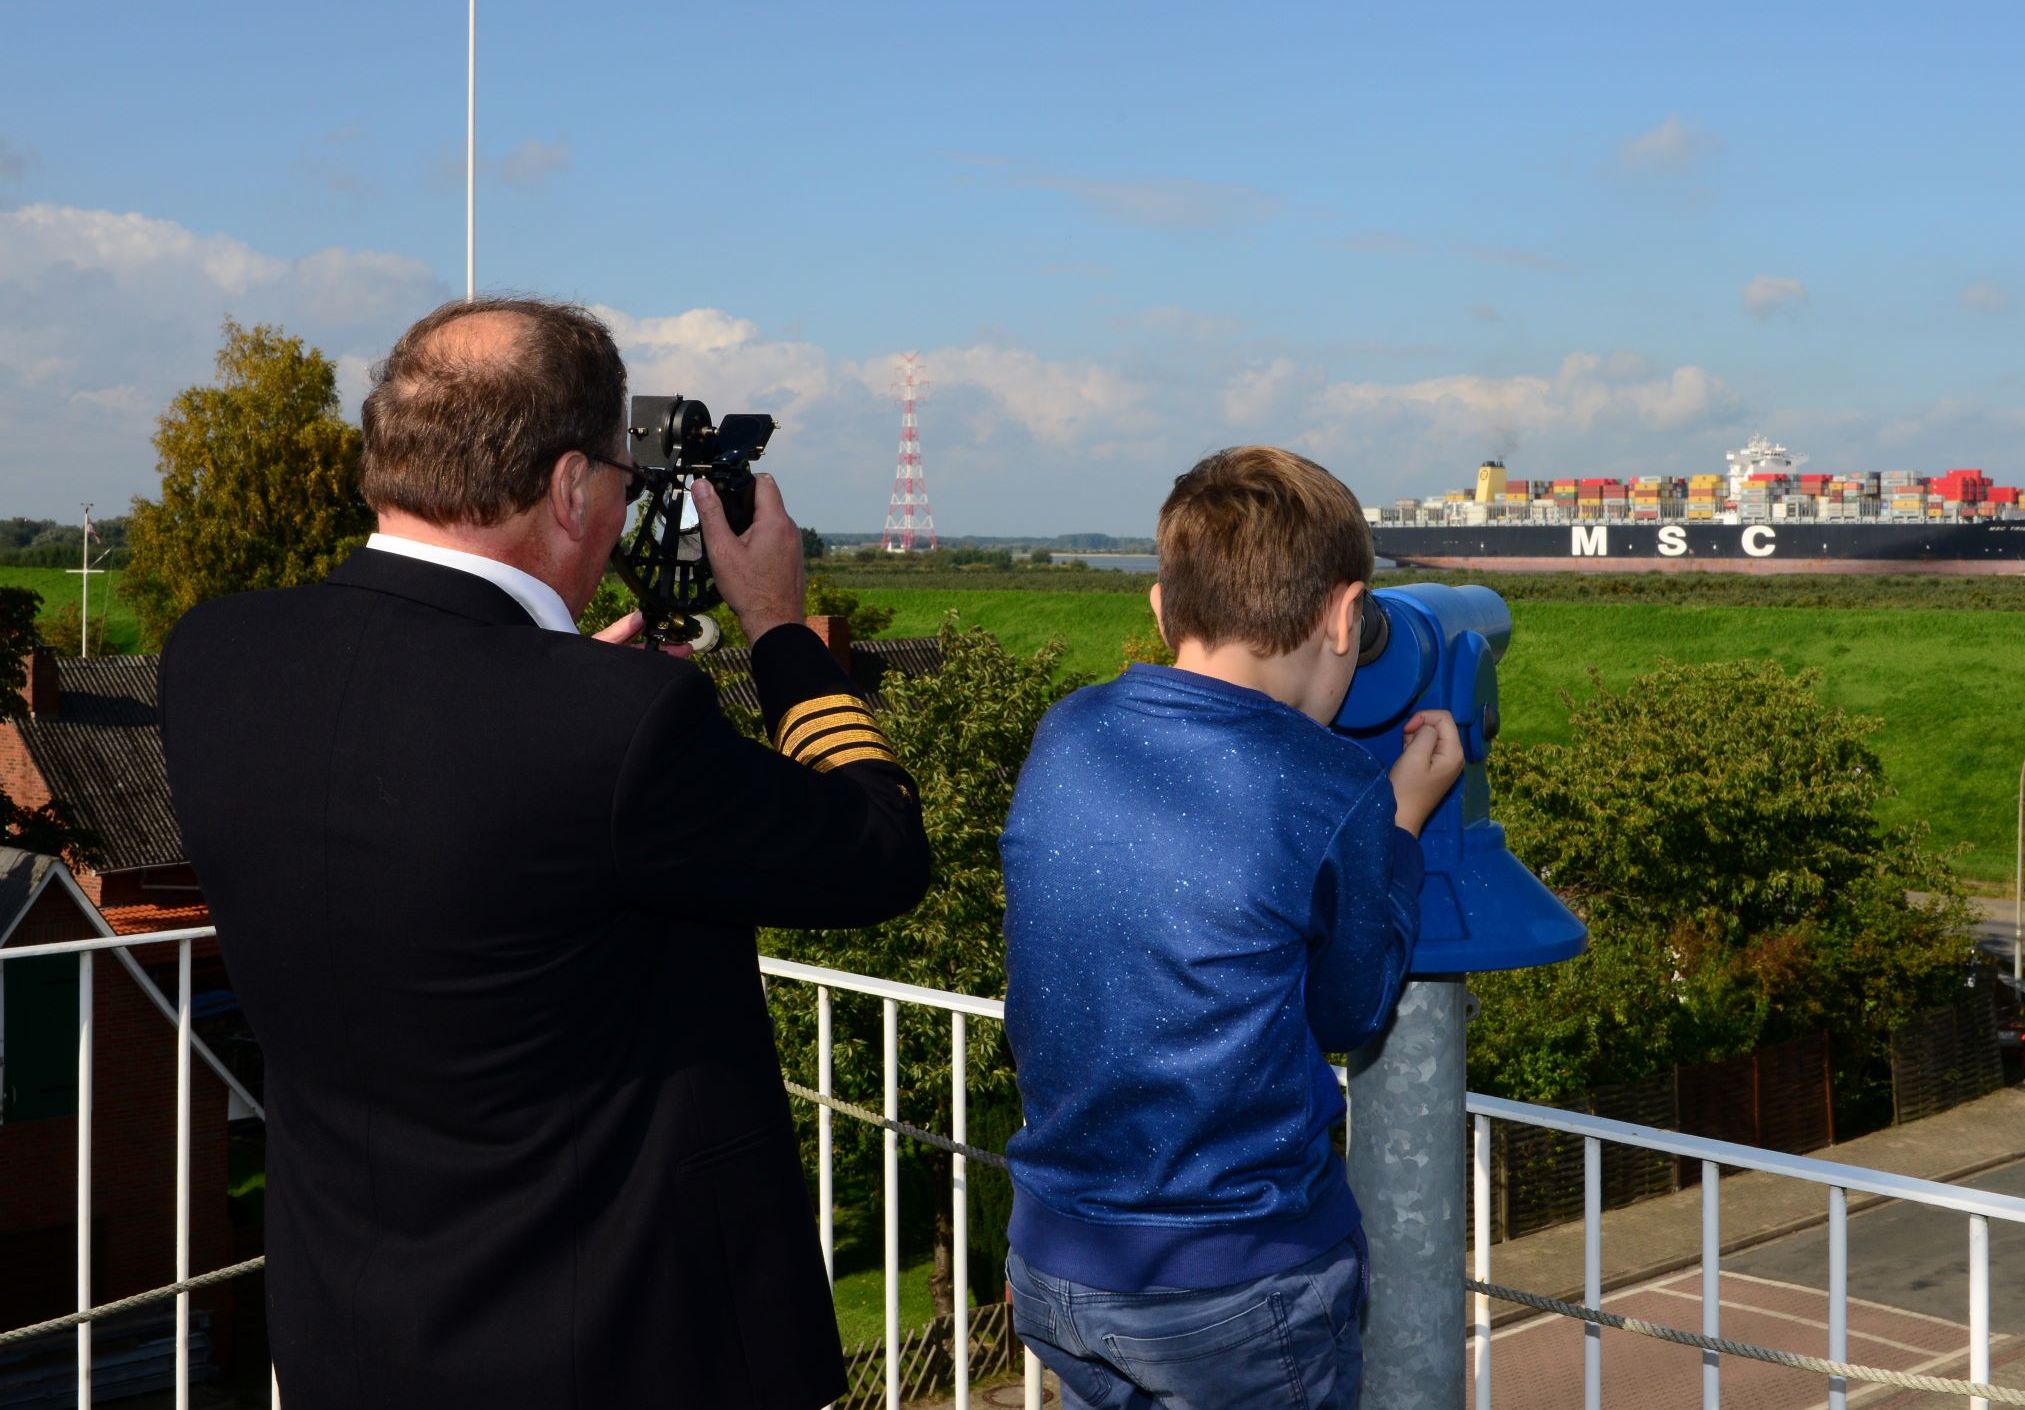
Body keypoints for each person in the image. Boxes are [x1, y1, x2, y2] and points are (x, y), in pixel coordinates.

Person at [160, 296, 929, 1410]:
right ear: (571, 487)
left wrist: (573, 693)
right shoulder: (612, 728)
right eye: (620, 477)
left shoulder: (217, 656)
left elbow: (431, 768)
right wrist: (777, 630)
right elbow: (880, 849)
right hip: (606, 1354)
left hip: (347, 1341)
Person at [997, 445, 1466, 1409]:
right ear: (1346, 615)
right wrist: (1402, 825)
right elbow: (1351, 1011)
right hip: (1234, 1286)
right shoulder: (1332, 786)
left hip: (1058, 1260)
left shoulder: (1070, 731)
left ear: (1161, 607)